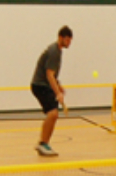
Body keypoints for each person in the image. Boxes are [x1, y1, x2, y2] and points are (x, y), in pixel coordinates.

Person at [31, 26, 72, 157]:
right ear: (61, 38)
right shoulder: (54, 51)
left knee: (54, 114)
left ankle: (44, 143)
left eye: (70, 40)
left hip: (44, 85)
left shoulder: (57, 51)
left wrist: (59, 86)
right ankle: (43, 144)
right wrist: (58, 93)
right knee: (53, 114)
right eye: (67, 39)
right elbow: (49, 74)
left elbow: (52, 75)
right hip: (40, 85)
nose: (69, 42)